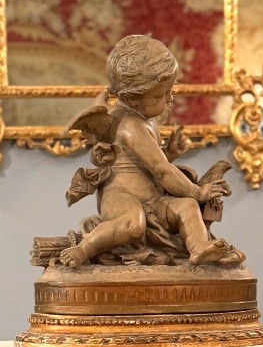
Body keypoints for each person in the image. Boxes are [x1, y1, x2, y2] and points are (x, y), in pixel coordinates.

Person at [57, 35, 244, 270]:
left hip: (152, 199)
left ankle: (199, 248)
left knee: (187, 206)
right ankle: (82, 249)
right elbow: (161, 171)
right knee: (133, 224)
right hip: (121, 198)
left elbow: (148, 163)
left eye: (169, 91)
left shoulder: (144, 118)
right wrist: (198, 192)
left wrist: (170, 153)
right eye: (160, 95)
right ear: (131, 98)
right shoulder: (130, 125)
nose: (170, 98)